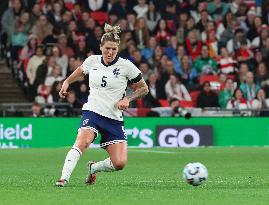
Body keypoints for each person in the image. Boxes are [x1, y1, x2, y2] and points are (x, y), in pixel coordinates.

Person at [55, 23, 149, 187]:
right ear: (101, 47)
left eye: (114, 49)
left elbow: (144, 88)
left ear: (118, 48)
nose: (110, 52)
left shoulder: (126, 66)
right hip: (92, 112)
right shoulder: (92, 61)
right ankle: (63, 178)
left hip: (113, 118)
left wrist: (128, 98)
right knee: (82, 142)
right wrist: (66, 82)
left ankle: (93, 168)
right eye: (107, 48)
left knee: (119, 163)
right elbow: (80, 71)